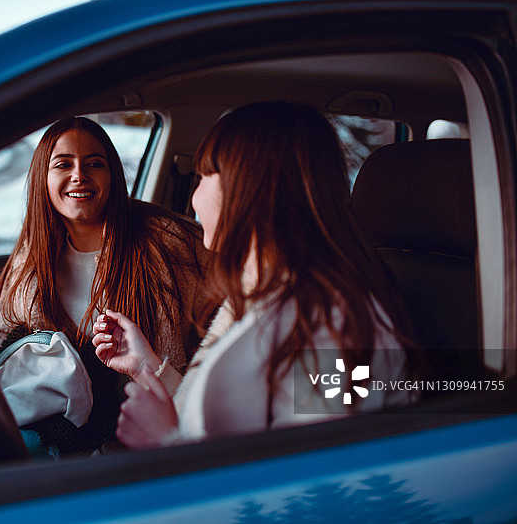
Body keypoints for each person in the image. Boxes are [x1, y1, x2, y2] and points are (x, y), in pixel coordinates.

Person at [93, 101, 418, 448]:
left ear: (245, 185)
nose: (194, 197)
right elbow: (227, 425)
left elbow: (318, 485)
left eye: (203, 177)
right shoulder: (262, 296)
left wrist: (165, 443)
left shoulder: (331, 326)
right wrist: (146, 366)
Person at [0, 116, 213, 453]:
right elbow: (4, 330)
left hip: (145, 431)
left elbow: (217, 332)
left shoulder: (167, 243)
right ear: (43, 177)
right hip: (63, 423)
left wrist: (166, 384)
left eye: (94, 163)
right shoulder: (33, 251)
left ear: (113, 175)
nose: (78, 175)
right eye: (63, 164)